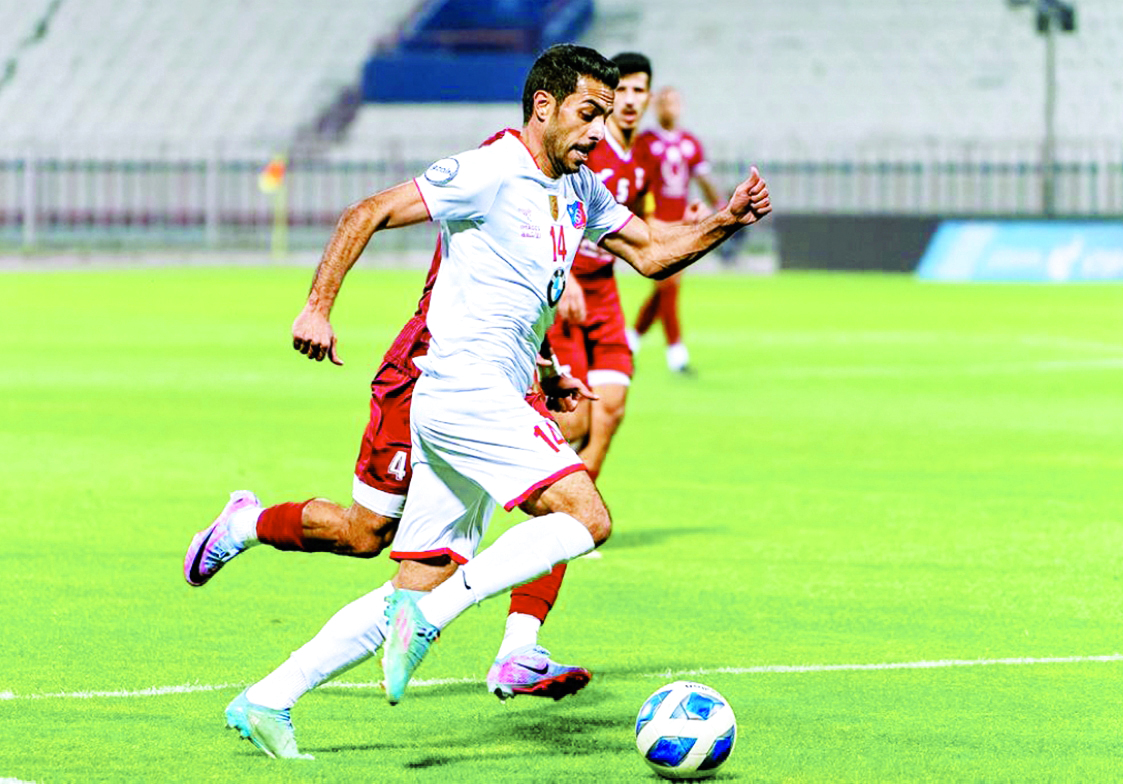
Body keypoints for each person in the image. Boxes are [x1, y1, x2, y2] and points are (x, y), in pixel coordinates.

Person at [218, 43, 770, 760]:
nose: (600, 130)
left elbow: (652, 249)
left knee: (412, 581)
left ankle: (269, 698)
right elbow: (370, 210)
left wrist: (725, 220)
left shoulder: (580, 187)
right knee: (587, 515)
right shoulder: (490, 169)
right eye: (588, 113)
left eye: (605, 115)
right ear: (544, 106)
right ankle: (440, 619)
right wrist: (317, 307)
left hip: (482, 397)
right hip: (464, 388)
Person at [185, 239, 594, 704]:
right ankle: (245, 525)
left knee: (566, 505)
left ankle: (518, 649)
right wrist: (317, 308)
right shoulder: (491, 179)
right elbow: (371, 212)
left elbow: (523, 300)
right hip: (427, 372)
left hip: (498, 382)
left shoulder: (561, 195)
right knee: (364, 534)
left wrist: (547, 372)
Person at [548, 51, 654, 480]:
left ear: (648, 97)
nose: (630, 99)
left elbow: (642, 220)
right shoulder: (586, 149)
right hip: (568, 289)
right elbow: (549, 206)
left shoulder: (644, 155)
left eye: (638, 90)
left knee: (610, 410)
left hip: (605, 292)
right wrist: (564, 273)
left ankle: (575, 518)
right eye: (622, 90)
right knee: (574, 421)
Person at [630, 87, 724, 375]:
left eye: (672, 102)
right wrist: (646, 217)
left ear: (680, 106)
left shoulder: (690, 143)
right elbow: (640, 183)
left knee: (666, 287)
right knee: (668, 285)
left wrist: (721, 206)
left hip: (683, 224)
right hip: (655, 223)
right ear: (656, 107)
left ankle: (629, 341)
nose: (668, 108)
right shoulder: (645, 142)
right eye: (663, 102)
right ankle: (677, 354)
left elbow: (702, 177)